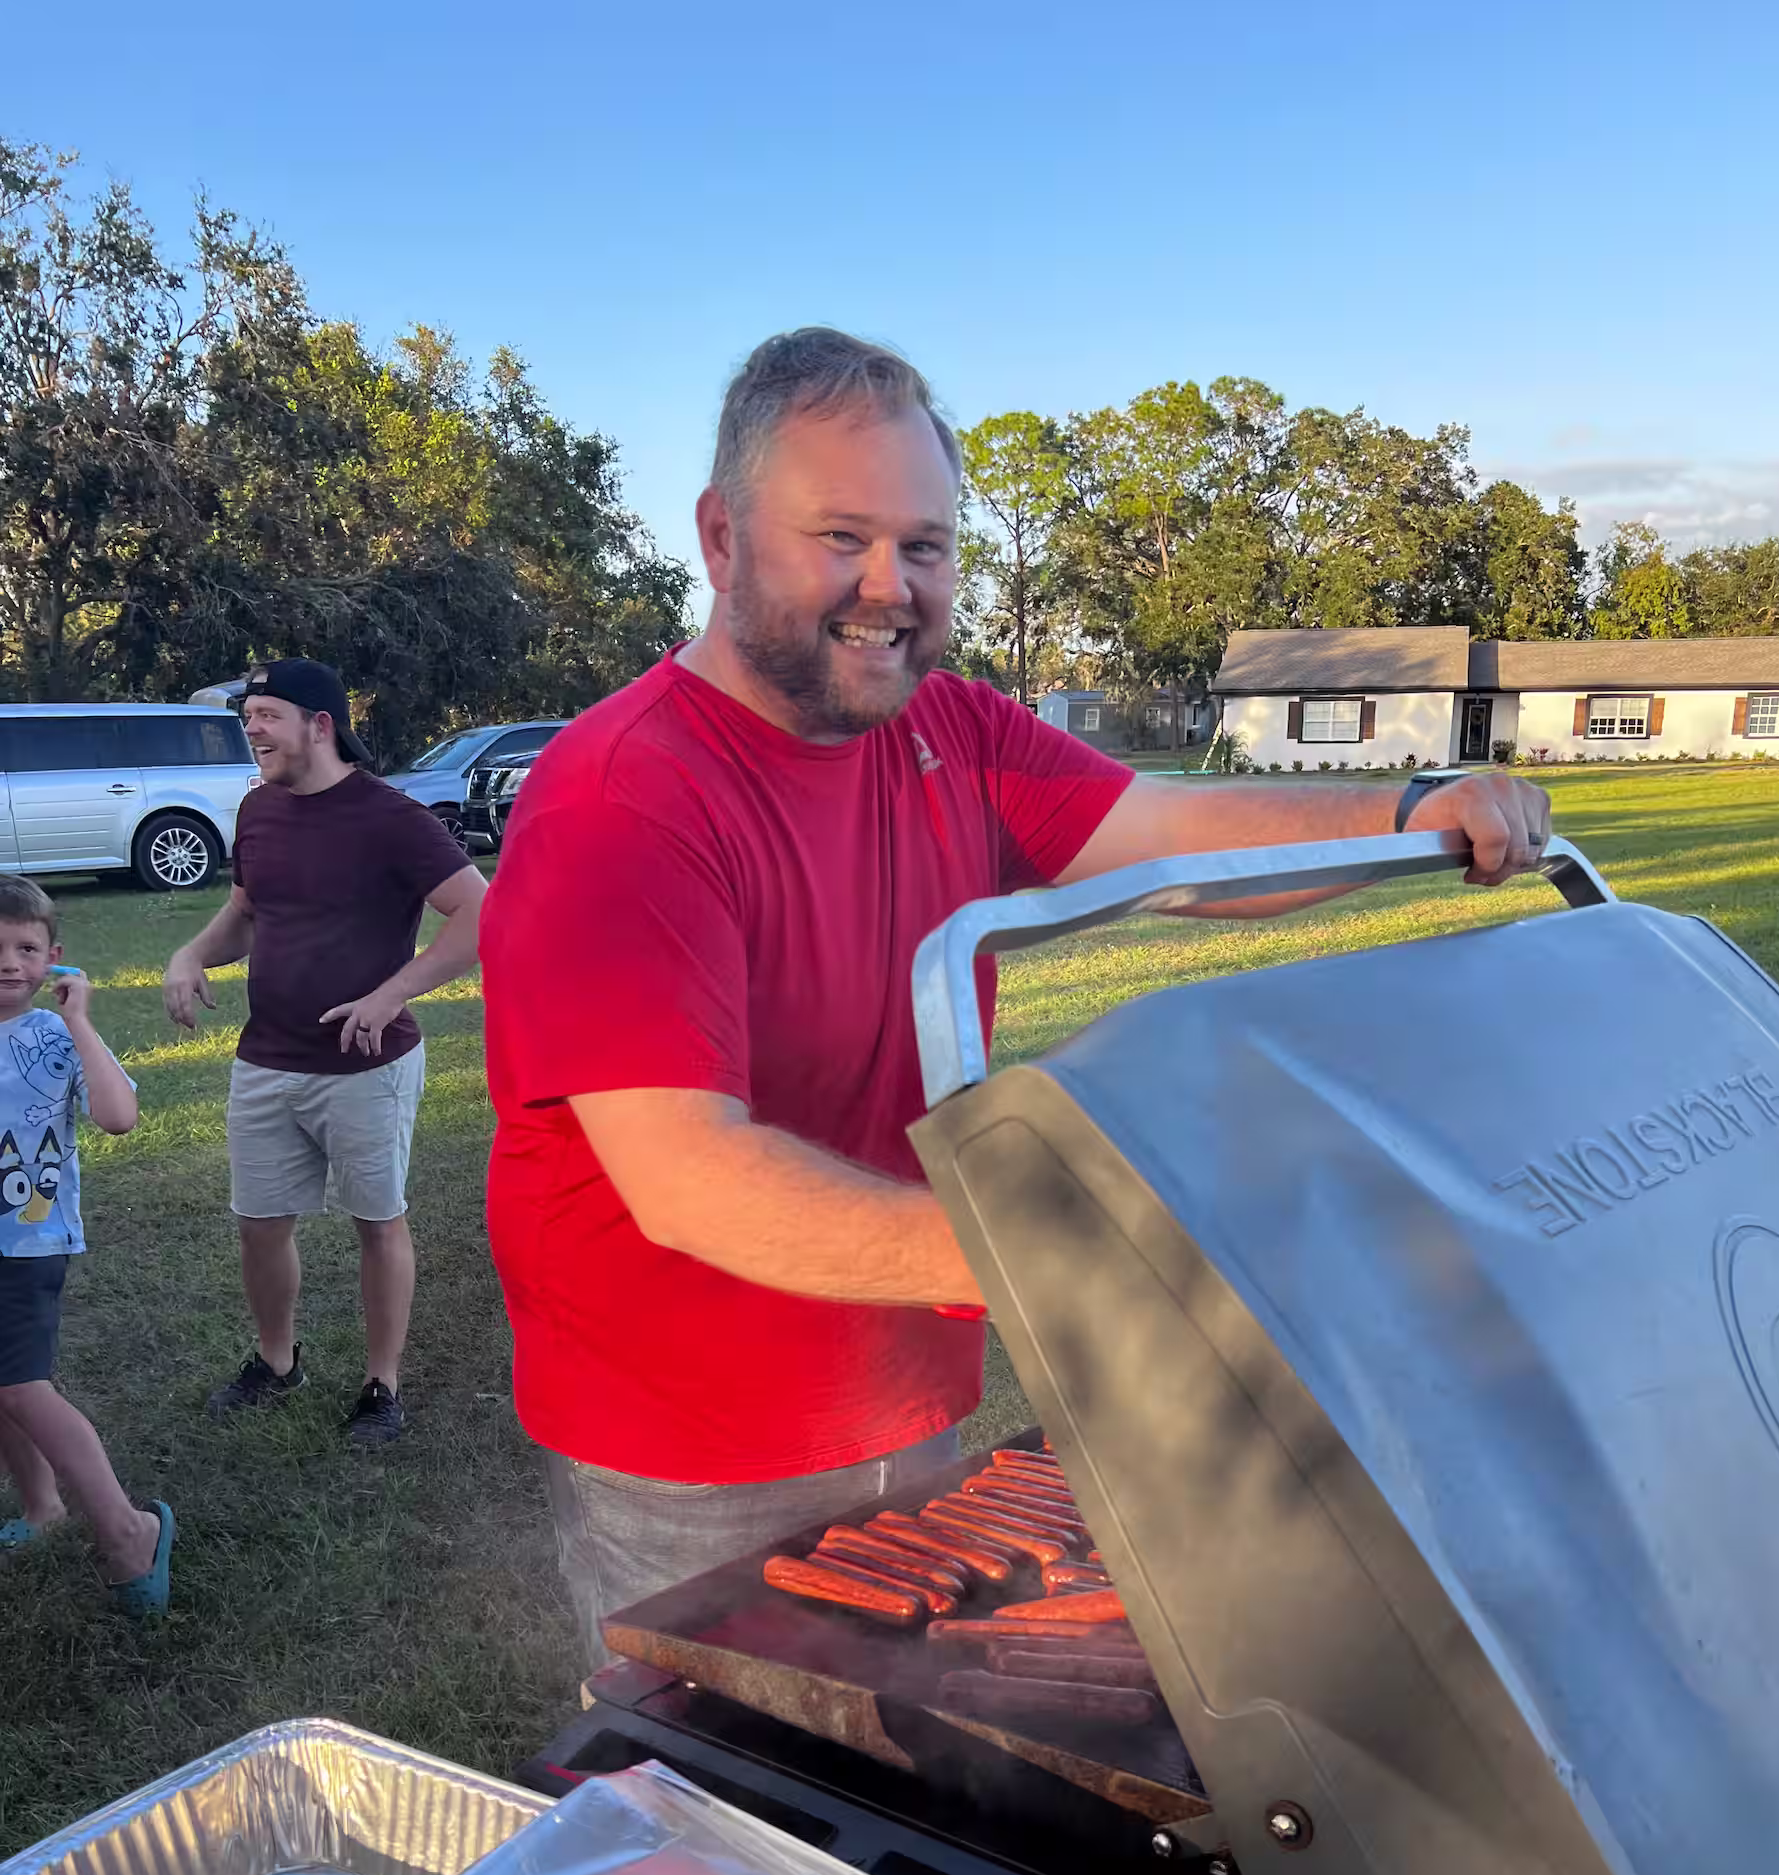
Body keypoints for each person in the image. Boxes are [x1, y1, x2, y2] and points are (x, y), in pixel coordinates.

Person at [480, 329, 1550, 1662]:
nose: (892, 588)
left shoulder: (950, 730)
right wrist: (1067, 1262)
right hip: (689, 1449)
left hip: (904, 1393)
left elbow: (1170, 844)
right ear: (720, 536)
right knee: (721, 1802)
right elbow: (692, 1179)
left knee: (903, 1757)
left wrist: (1406, 811)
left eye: (925, 547)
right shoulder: (620, 799)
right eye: (843, 538)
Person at [162, 660, 488, 1446]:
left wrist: (392, 993)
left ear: (321, 724)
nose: (253, 729)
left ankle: (382, 1385)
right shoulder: (258, 811)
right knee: (260, 1224)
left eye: (267, 715)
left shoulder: (390, 817)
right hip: (267, 1057)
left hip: (365, 1066)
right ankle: (277, 1363)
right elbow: (245, 910)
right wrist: (190, 955)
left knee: (378, 1224)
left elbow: (481, 913)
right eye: (249, 718)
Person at [0, 878, 173, 1614]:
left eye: (26, 948)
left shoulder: (54, 1037)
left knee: (20, 1385)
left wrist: (80, 1024)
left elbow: (118, 1115)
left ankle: (130, 1529)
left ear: (54, 960)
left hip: (29, 1236)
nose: (9, 962)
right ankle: (43, 1508)